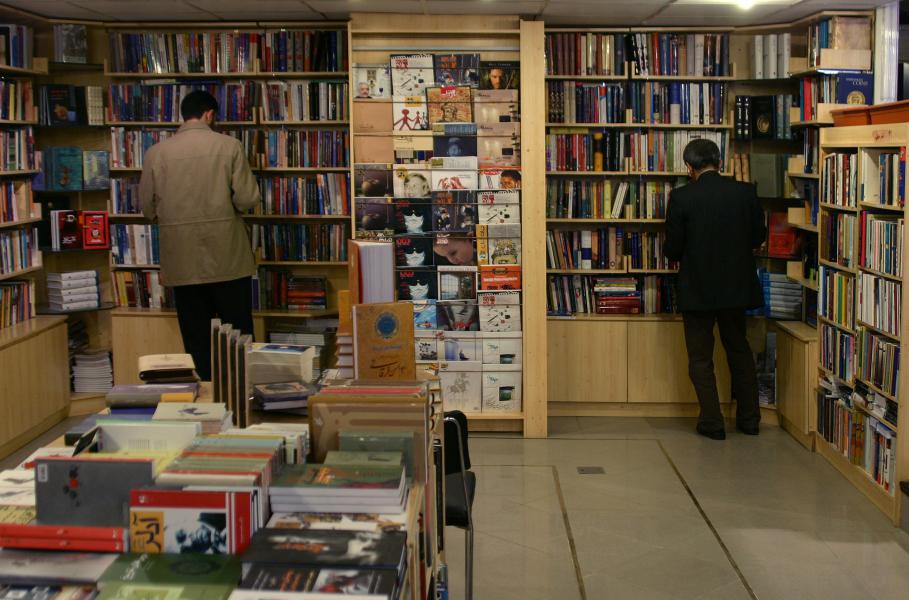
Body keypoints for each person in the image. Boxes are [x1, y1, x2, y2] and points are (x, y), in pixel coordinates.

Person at [139, 90, 261, 381]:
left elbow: (146, 208)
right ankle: (242, 395)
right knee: (238, 335)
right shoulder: (229, 146)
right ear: (210, 114)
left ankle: (205, 398)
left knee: (195, 338)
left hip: (183, 261)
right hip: (228, 258)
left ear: (184, 115)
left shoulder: (156, 153)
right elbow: (247, 199)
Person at [665, 138, 766, 440]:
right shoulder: (744, 193)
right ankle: (749, 420)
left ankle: (712, 421)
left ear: (689, 167)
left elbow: (672, 250)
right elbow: (757, 236)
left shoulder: (681, 198)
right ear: (719, 162)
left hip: (697, 291)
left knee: (700, 358)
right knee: (739, 351)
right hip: (735, 289)